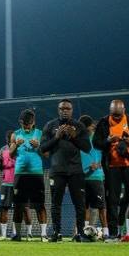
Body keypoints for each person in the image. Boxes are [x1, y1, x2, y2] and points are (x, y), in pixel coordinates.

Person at [91, 99, 129, 242]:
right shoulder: (104, 122)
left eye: (118, 115)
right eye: (113, 115)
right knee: (112, 201)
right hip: (112, 167)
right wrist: (107, 141)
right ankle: (114, 234)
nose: (116, 117)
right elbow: (96, 143)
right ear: (110, 111)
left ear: (124, 110)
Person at [39, 99, 90, 242]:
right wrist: (56, 137)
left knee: (79, 204)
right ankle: (56, 233)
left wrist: (74, 137)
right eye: (62, 108)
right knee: (56, 203)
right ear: (58, 110)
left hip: (76, 171)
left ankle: (80, 233)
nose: (65, 111)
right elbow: (43, 147)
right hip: (57, 170)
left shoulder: (79, 126)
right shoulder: (50, 125)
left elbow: (87, 147)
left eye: (67, 108)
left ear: (72, 110)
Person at [11, 109, 48, 241]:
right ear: (20, 122)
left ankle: (43, 235)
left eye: (30, 123)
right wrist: (16, 144)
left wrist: (38, 147)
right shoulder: (15, 134)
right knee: (19, 205)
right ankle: (18, 234)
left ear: (34, 122)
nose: (28, 126)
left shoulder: (39, 134)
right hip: (20, 174)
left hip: (36, 173)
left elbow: (46, 155)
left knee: (39, 205)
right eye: (25, 123)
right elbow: (10, 154)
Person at [79, 115, 106, 240]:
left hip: (96, 177)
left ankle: (106, 233)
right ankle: (85, 232)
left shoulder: (98, 139)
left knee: (101, 207)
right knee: (84, 207)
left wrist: (100, 164)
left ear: (91, 126)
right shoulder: (78, 139)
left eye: (86, 127)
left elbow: (106, 155)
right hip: (82, 177)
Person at [0, 131, 16, 239]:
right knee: (4, 208)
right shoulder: (3, 150)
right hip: (6, 183)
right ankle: (3, 234)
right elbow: (0, 167)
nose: (9, 139)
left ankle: (15, 233)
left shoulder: (18, 148)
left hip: (17, 182)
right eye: (7, 137)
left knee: (18, 208)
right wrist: (0, 160)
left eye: (10, 137)